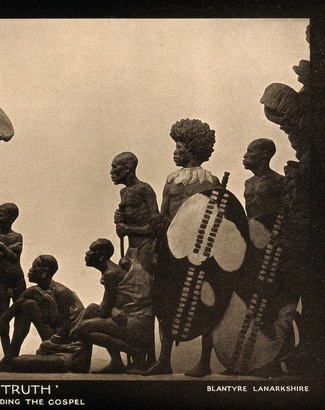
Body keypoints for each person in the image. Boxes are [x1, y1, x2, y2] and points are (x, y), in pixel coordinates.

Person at [145, 118, 221, 377]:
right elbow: (165, 215)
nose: (175, 152)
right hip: (170, 250)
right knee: (165, 303)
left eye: (179, 147)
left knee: (205, 305)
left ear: (193, 149)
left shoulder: (210, 181)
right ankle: (164, 360)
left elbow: (217, 218)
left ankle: (204, 362)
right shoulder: (171, 180)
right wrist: (158, 233)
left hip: (200, 252)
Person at [0, 255, 84, 372]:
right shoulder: (33, 292)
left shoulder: (61, 292)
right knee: (27, 304)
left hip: (68, 349)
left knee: (18, 363)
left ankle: (10, 360)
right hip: (52, 343)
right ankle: (9, 358)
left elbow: (64, 331)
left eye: (34, 267)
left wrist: (48, 346)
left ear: (44, 272)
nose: (30, 270)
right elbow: (7, 316)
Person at [71, 239, 154, 374]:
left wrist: (76, 328)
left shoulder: (110, 274)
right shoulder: (112, 271)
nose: (87, 253)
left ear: (101, 255)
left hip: (135, 322)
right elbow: (113, 304)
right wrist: (113, 310)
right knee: (91, 309)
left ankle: (134, 352)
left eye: (91, 250)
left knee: (83, 329)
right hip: (133, 319)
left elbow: (104, 311)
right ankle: (116, 362)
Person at [111, 152, 160, 274]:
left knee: (144, 282)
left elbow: (156, 227)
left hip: (146, 247)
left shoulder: (144, 189)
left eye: (115, 167)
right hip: (131, 248)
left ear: (127, 168)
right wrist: (120, 220)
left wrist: (127, 229)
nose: (111, 172)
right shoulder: (123, 192)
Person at [0, 203, 26, 353]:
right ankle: (7, 355)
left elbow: (14, 258)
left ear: (11, 218)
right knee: (3, 320)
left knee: (20, 321)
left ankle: (13, 354)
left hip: (18, 282)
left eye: (1, 215)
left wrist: (1, 247)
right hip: (2, 284)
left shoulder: (17, 236)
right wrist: (9, 250)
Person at [242, 138, 285, 220]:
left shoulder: (280, 181)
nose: (245, 155)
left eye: (250, 151)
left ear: (264, 154)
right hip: (251, 229)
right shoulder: (248, 182)